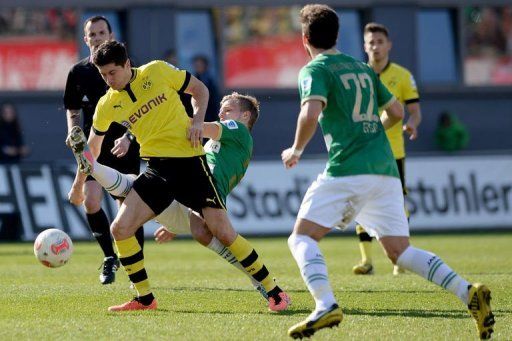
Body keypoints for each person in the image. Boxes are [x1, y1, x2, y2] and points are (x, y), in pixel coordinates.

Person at [282, 4, 494, 339]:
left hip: (347, 168)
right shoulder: (363, 69)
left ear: (304, 38)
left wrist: (296, 149)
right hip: (384, 169)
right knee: (400, 251)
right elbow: (396, 111)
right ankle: (467, 292)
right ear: (337, 34)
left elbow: (310, 114)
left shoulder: (315, 68)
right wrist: (371, 131)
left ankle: (325, 304)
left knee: (302, 237)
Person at [68, 40, 290, 312]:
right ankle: (145, 298)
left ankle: (274, 291)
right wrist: (79, 184)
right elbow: (92, 148)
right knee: (120, 229)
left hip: (190, 163)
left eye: (112, 72)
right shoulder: (107, 104)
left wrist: (197, 120)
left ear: (127, 64)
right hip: (156, 169)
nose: (108, 80)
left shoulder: (157, 71)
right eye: (103, 75)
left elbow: (200, 89)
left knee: (222, 231)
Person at [69, 92, 269, 301]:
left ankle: (94, 166)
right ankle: (93, 166)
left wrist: (161, 117)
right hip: (186, 199)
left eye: (227, 110)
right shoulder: (222, 142)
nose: (221, 113)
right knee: (133, 185)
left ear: (245, 116)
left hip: (200, 201)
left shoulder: (238, 131)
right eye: (221, 109)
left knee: (133, 186)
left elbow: (199, 127)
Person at [64, 16, 143, 285]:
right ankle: (110, 258)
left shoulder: (126, 66)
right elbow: (73, 109)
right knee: (91, 200)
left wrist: (129, 137)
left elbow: (144, 108)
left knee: (128, 207)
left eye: (101, 32)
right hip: (94, 147)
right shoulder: (78, 72)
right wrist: (74, 130)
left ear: (111, 35)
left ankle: (136, 268)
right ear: (85, 39)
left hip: (124, 147)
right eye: (92, 34)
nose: (97, 37)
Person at [352, 22, 423, 276]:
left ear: (389, 45)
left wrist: (412, 125)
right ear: (364, 46)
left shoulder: (402, 76)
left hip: (393, 151)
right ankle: (366, 261)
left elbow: (414, 112)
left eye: (380, 42)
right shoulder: (358, 75)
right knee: (360, 200)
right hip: (363, 149)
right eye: (371, 42)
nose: (375, 47)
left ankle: (399, 259)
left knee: (396, 203)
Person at [192, 55, 219, 122]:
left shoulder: (210, 80)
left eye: (200, 65)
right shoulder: (193, 79)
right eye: (196, 65)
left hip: (210, 114)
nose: (198, 67)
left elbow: (214, 100)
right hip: (197, 115)